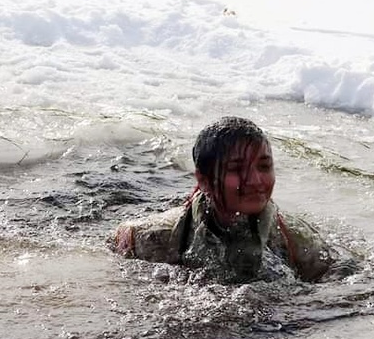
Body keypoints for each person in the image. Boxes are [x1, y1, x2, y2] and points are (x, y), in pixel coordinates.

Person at [111, 116, 349, 283]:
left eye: (264, 166)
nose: (255, 180)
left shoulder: (299, 243)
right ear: (204, 181)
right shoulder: (146, 238)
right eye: (236, 169)